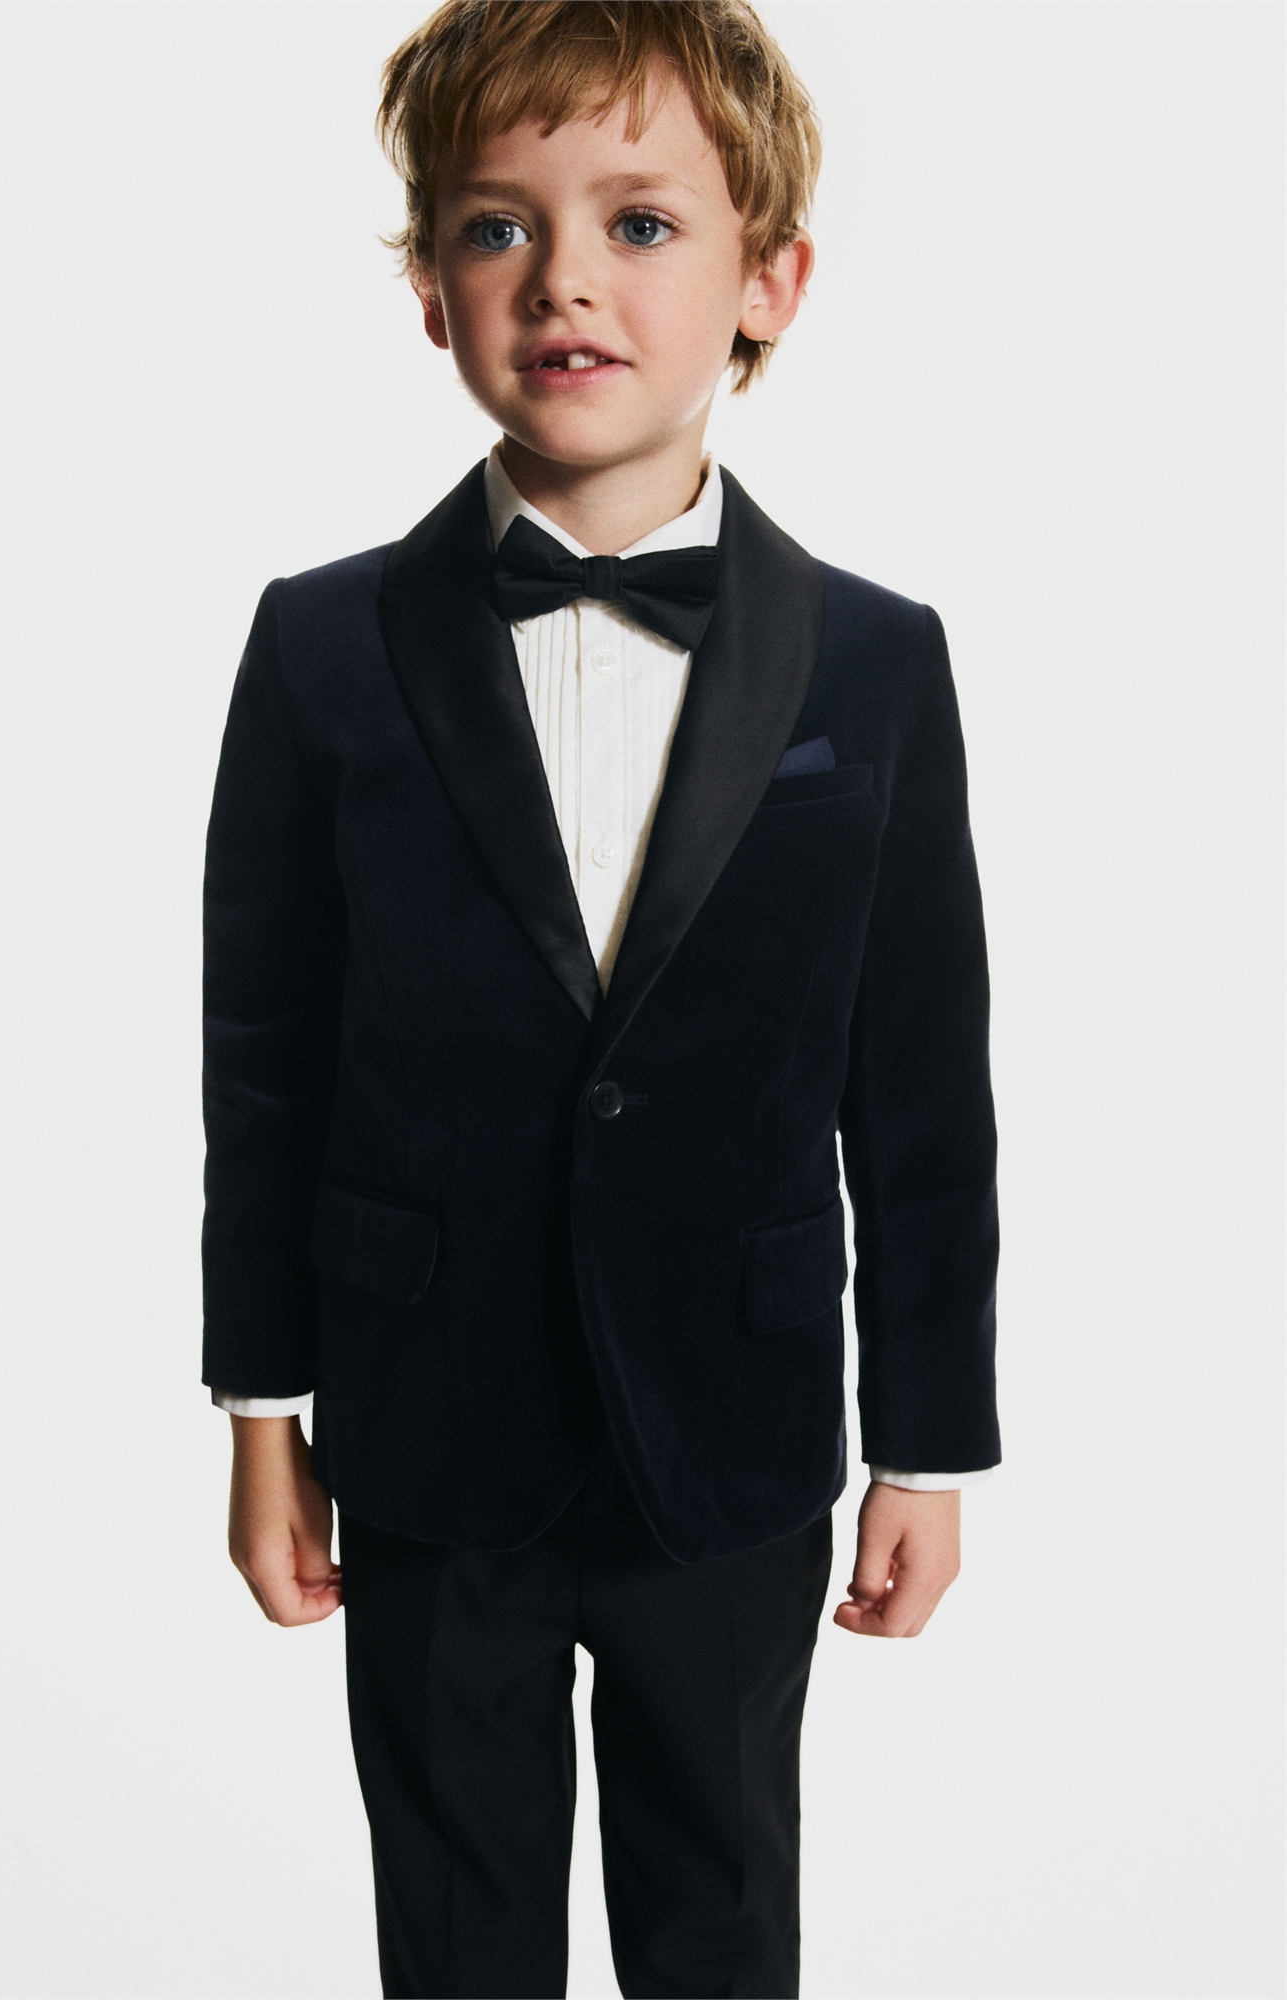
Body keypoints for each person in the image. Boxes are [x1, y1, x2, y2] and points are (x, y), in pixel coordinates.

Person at [202, 3, 1000, 1994]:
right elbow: (265, 1061)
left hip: (728, 1426)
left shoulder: (876, 663)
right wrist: (261, 1407)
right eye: (498, 226)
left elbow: (917, 1087)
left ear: (767, 283)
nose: (563, 277)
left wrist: (927, 1441)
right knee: (453, 1929)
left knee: (717, 1914)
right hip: (421, 1418)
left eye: (640, 223)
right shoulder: (318, 649)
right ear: (429, 291)